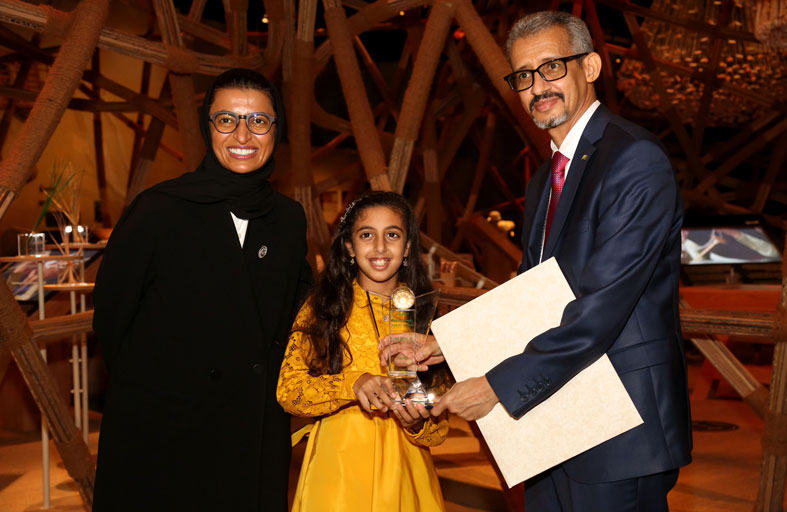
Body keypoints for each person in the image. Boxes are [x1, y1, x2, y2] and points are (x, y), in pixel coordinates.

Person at [426, 11, 692, 511]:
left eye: (551, 67)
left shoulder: (634, 158)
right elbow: (534, 295)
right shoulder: (545, 177)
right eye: (524, 76)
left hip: (620, 428)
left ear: (590, 67)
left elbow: (600, 308)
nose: (537, 87)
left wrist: (498, 386)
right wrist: (449, 348)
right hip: (554, 424)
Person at [92, 68, 313, 511]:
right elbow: (112, 320)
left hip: (252, 429)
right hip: (166, 426)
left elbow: (296, 317)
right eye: (227, 120)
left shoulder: (288, 219)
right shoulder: (158, 210)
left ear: (276, 130)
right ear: (207, 127)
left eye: (258, 121)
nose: (242, 135)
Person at [277, 191, 448, 512]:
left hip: (406, 472)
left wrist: (418, 422)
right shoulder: (323, 308)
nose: (380, 247)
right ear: (349, 247)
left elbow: (439, 428)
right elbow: (289, 392)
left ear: (407, 247)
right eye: (367, 235)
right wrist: (352, 384)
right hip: (338, 469)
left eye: (392, 235)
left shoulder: (422, 314)